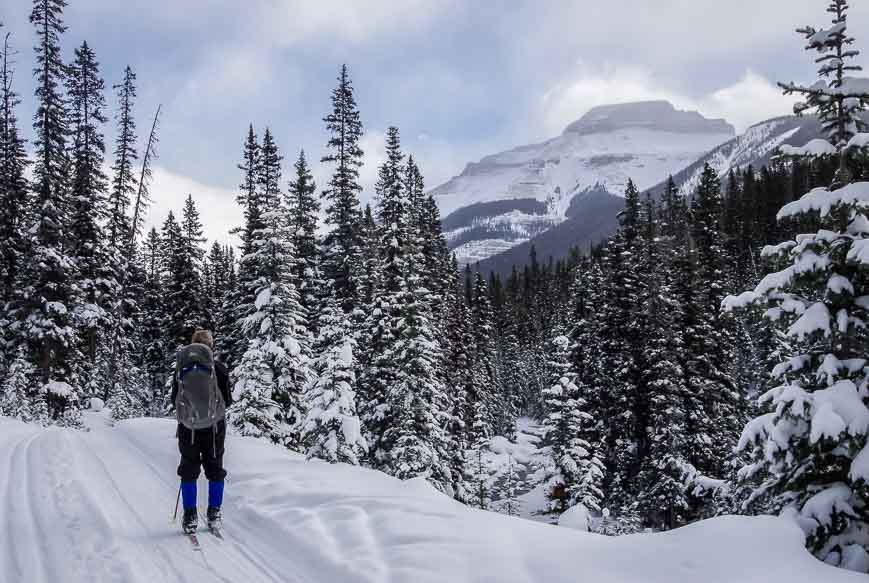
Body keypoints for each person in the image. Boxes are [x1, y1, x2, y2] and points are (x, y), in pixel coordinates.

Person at [170, 329, 232, 534]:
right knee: (215, 471)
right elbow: (227, 401)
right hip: (214, 429)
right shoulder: (219, 369)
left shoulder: (181, 369)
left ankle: (190, 517)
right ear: (210, 347)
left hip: (188, 428)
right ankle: (214, 515)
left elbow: (174, 400)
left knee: (189, 470)